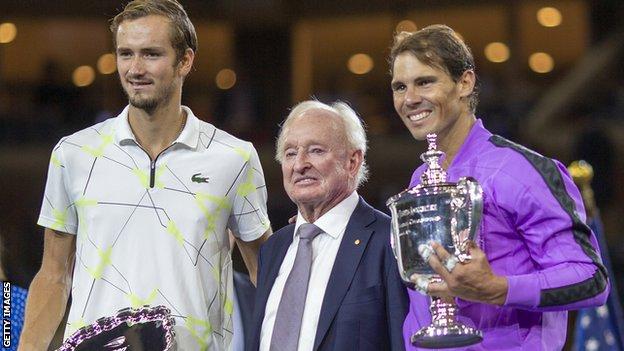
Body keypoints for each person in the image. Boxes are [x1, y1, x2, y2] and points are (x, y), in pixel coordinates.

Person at [18, 1, 271, 350]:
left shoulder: (235, 158)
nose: (135, 68)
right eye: (126, 54)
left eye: (151, 54)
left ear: (185, 61)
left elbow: (267, 276)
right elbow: (53, 275)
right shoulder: (73, 154)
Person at [389, 24, 610, 350]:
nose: (409, 99)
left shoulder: (520, 170)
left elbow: (590, 278)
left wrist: (497, 288)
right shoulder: (420, 179)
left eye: (425, 82)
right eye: (399, 86)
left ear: (465, 82)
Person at [247, 100, 408, 351]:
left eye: (316, 151)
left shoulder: (389, 240)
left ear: (353, 161)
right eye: (290, 153)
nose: (299, 164)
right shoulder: (274, 249)